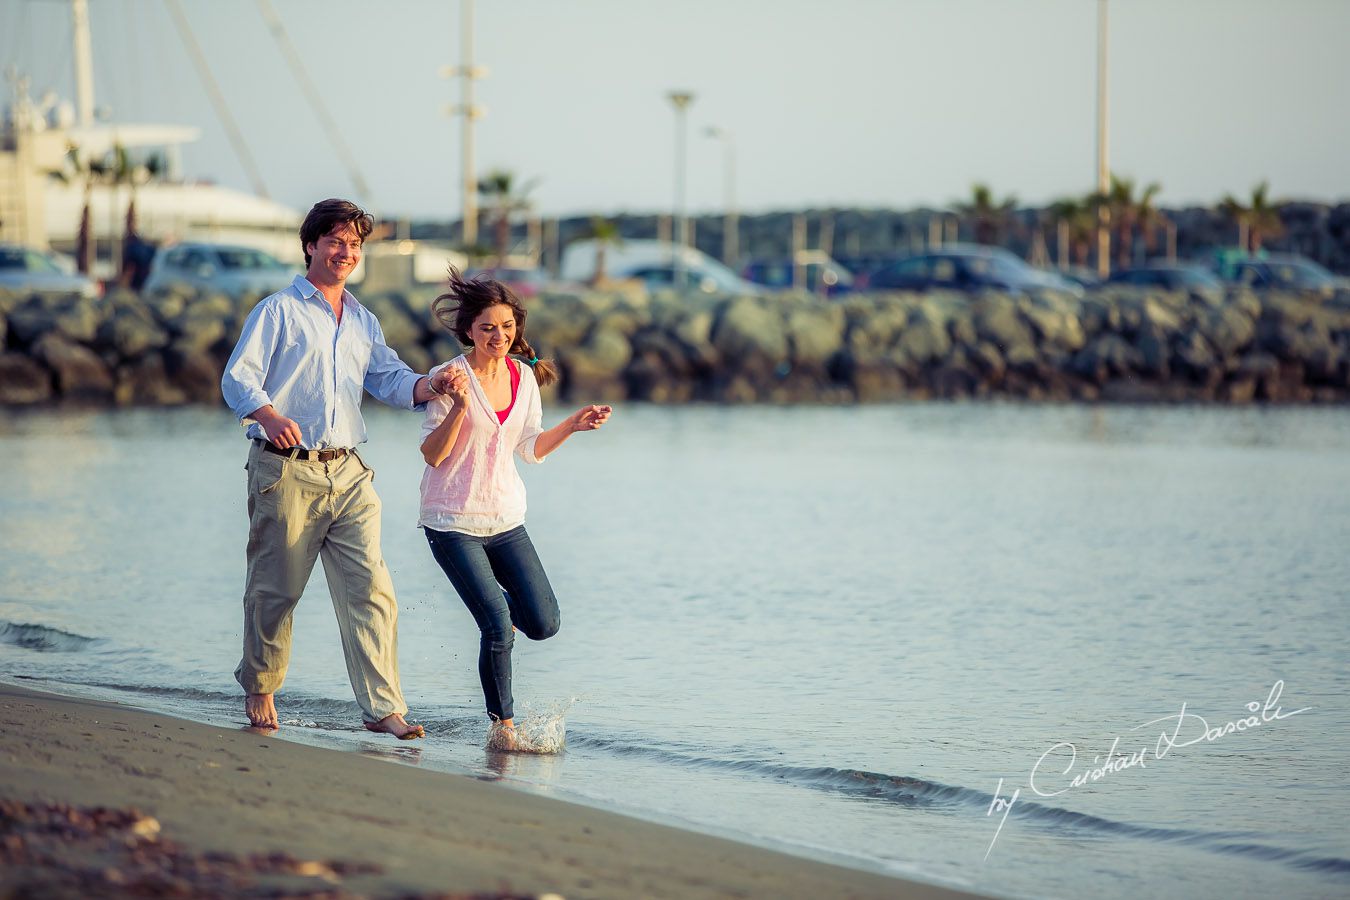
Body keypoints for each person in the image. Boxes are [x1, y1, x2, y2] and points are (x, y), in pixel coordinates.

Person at [221, 198, 450, 738]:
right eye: (335, 242)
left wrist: (432, 385)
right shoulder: (278, 310)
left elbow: (391, 380)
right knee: (276, 590)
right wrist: (269, 414)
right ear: (311, 246)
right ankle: (261, 687)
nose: (346, 252)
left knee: (371, 588)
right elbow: (238, 378)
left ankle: (383, 708)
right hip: (284, 471)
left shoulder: (363, 320)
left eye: (354, 244)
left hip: (348, 472)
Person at [419, 269, 611, 750]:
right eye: (487, 327)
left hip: (505, 519)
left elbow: (528, 446)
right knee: (498, 628)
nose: (498, 336)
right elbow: (433, 455)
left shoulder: (523, 377)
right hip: (451, 521)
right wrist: (460, 407)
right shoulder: (449, 378)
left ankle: (487, 603)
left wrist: (572, 425)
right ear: (469, 330)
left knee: (544, 623)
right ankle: (503, 728)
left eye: (506, 327)